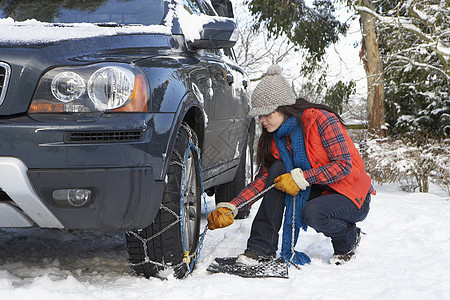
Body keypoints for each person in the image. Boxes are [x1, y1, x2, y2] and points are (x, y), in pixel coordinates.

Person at [207, 65, 375, 266]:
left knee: (313, 213)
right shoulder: (276, 137)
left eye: (266, 114)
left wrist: (302, 178)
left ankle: (348, 239)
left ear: (283, 109)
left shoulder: (321, 120)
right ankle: (261, 248)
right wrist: (233, 206)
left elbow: (343, 166)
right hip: (318, 191)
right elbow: (265, 180)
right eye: (259, 115)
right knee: (277, 171)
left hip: (351, 195)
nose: (261, 120)